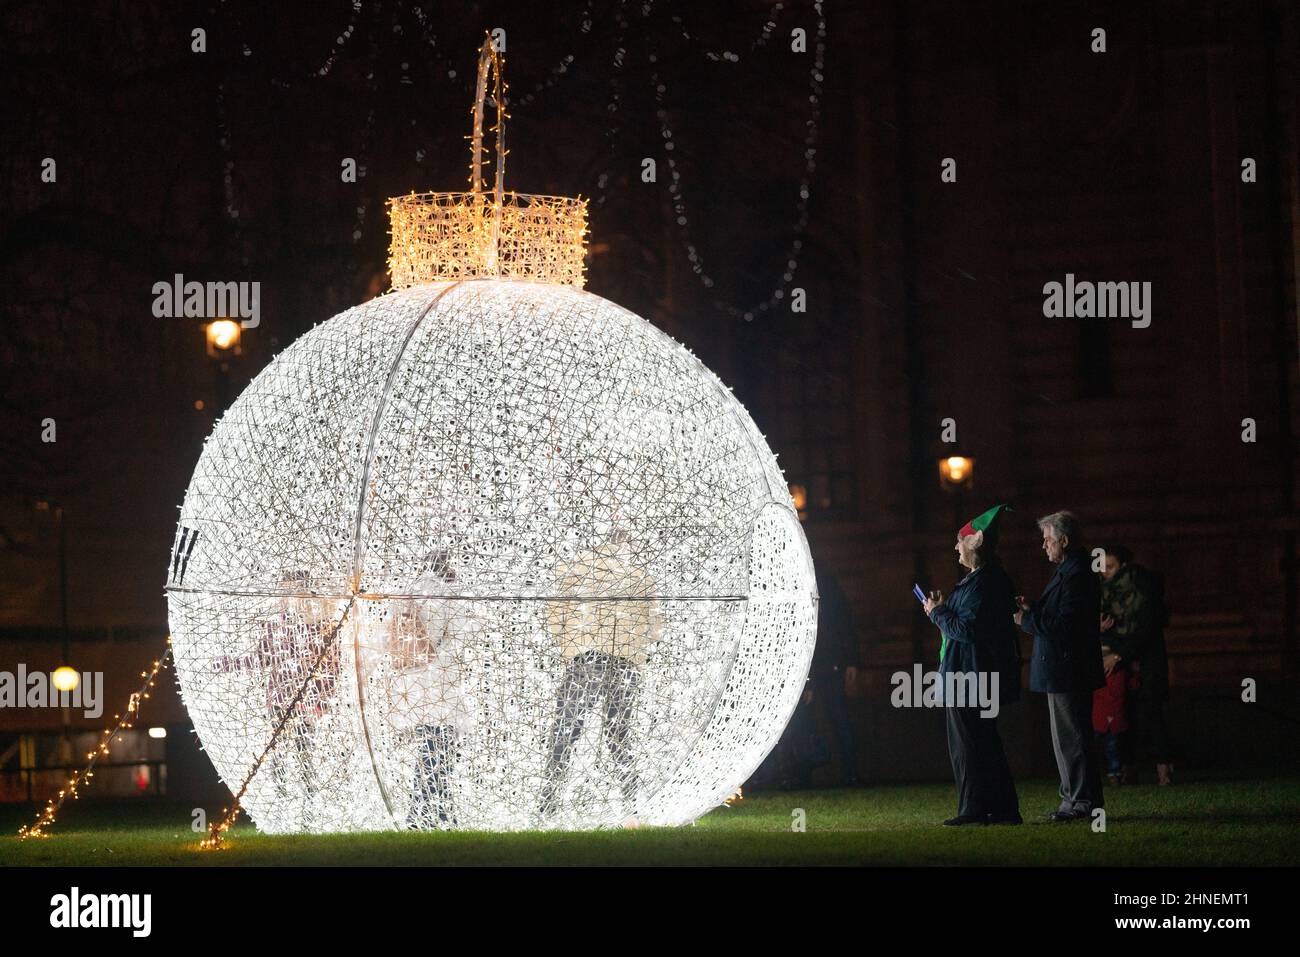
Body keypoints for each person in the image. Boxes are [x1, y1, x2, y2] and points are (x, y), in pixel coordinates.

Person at [538, 527, 661, 825]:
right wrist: (638, 656)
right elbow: (655, 626)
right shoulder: (641, 577)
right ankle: (632, 804)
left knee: (565, 732)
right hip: (624, 664)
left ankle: (548, 806)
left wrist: (569, 647)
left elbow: (554, 612)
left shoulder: (580, 567)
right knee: (618, 736)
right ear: (629, 544)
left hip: (586, 658)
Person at [211, 571, 340, 825]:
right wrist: (227, 663)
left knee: (305, 755)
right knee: (277, 757)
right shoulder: (276, 624)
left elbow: (331, 665)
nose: (284, 596)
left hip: (304, 700)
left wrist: (321, 700)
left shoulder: (318, 624)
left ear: (303, 592)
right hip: (278, 700)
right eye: (282, 590)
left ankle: (309, 811)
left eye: (289, 590)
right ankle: (282, 809)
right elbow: (262, 657)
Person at [922, 504, 1022, 826]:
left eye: (959, 541)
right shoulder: (981, 580)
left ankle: (974, 810)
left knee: (969, 746)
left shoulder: (985, 581)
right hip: (970, 675)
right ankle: (1003, 810)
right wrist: (940, 612)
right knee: (984, 743)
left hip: (971, 677)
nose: (955, 548)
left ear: (975, 543)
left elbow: (966, 630)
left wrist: (937, 612)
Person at [1015, 511, 1106, 821]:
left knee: (1072, 738)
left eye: (1048, 540)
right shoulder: (1071, 569)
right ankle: (1075, 800)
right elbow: (1059, 615)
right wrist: (1033, 609)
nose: (1044, 546)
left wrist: (1026, 619)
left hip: (1068, 669)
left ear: (1064, 541)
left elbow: (1065, 625)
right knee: (1067, 738)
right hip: (1063, 669)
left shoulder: (1077, 572)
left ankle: (1081, 802)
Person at [385, 553, 477, 830]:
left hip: (409, 688)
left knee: (430, 750)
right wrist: (440, 667)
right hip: (440, 688)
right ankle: (425, 816)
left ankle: (437, 814)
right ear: (447, 568)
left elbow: (389, 640)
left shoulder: (405, 593)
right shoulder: (450, 596)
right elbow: (460, 639)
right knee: (438, 753)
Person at [1100, 544, 1174, 785]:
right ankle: (1127, 767)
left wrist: (1119, 654)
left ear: (1122, 565)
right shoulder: (1106, 592)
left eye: (1109, 567)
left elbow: (1147, 627)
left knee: (1152, 710)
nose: (1105, 572)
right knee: (1125, 712)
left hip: (1146, 656)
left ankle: (1164, 768)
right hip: (1122, 656)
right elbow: (1107, 623)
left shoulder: (1142, 587)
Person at [789, 567, 861, 787]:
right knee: (811, 721)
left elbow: (841, 623)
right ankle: (814, 773)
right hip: (819, 665)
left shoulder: (823, 584)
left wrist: (850, 660)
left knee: (835, 719)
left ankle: (846, 773)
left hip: (825, 664)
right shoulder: (820, 582)